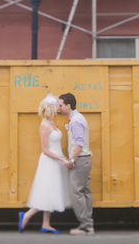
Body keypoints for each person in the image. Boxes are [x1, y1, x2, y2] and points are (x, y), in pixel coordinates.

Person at [19, 93, 72, 234]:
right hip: (50, 162)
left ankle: (46, 224)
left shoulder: (51, 123)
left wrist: (62, 157)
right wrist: (62, 159)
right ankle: (27, 215)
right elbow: (45, 150)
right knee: (46, 192)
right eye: (56, 107)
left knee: (51, 191)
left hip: (56, 160)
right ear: (51, 109)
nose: (58, 109)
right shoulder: (44, 125)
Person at [58, 93, 95, 235]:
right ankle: (88, 223)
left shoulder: (75, 121)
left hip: (79, 160)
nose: (59, 108)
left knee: (77, 192)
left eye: (61, 105)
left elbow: (78, 144)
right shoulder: (78, 118)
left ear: (68, 105)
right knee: (85, 191)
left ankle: (86, 226)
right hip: (84, 159)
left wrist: (71, 160)